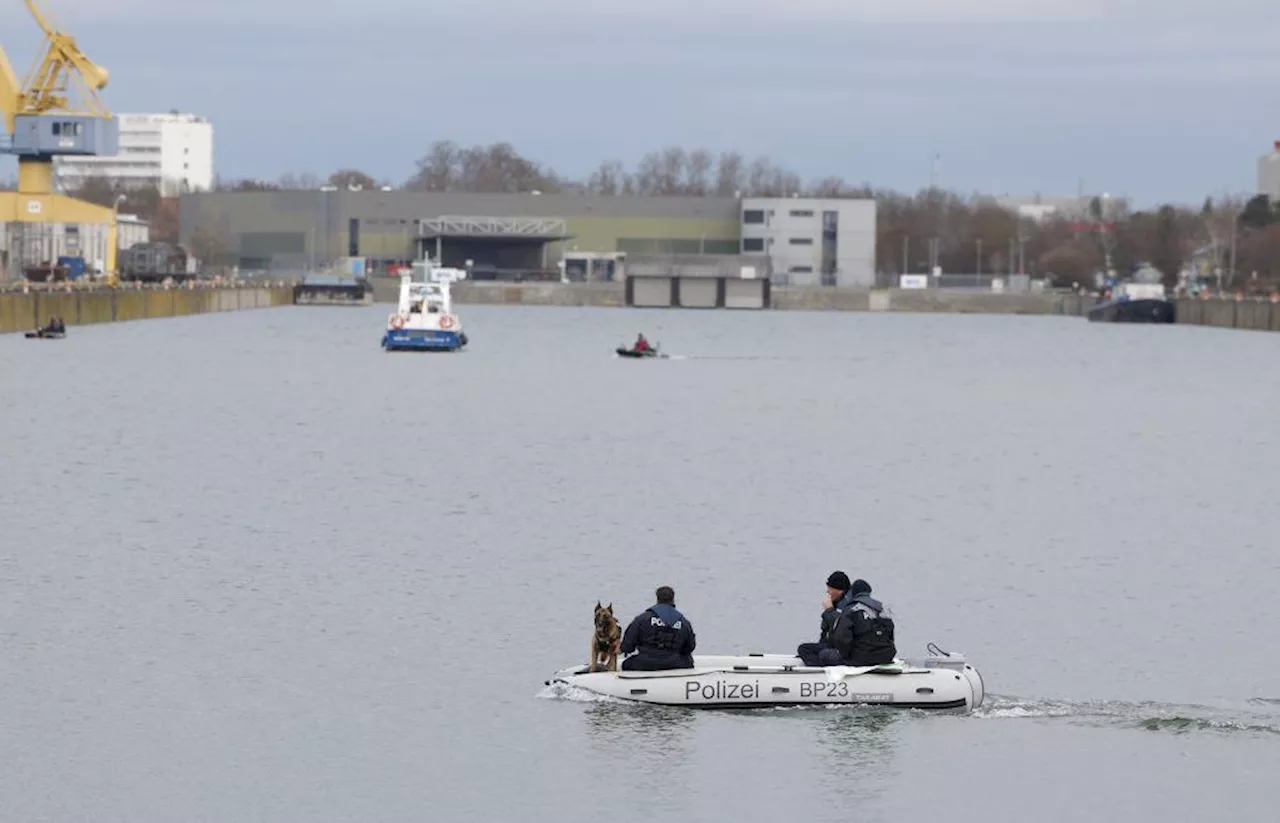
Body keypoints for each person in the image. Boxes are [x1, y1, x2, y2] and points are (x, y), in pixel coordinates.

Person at [620, 585, 696, 671]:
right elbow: (690, 647)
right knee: (688, 661)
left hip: (645, 663)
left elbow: (627, 647)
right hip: (675, 663)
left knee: (626, 664)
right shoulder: (684, 622)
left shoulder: (642, 619)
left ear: (657, 598)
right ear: (673, 599)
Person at [827, 578, 897, 666]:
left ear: (853, 593)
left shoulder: (851, 609)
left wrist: (846, 656)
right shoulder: (882, 609)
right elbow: (891, 636)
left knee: (823, 654)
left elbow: (841, 638)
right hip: (886, 656)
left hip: (861, 658)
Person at [797, 571, 856, 666]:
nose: (828, 592)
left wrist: (829, 610)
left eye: (830, 588)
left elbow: (841, 627)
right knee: (805, 649)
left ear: (838, 590)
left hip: (842, 648)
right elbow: (825, 631)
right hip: (831, 645)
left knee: (805, 650)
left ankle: (820, 669)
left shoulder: (849, 606)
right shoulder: (836, 603)